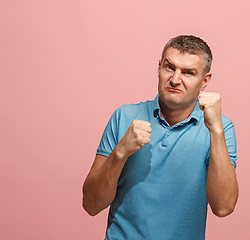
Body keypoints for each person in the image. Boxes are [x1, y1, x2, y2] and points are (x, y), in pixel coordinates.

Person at [82, 35, 239, 240]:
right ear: (159, 68)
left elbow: (224, 207)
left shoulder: (221, 128)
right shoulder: (124, 117)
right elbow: (91, 205)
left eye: (188, 73)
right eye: (169, 67)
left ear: (205, 80)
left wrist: (215, 129)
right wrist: (121, 152)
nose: (175, 79)